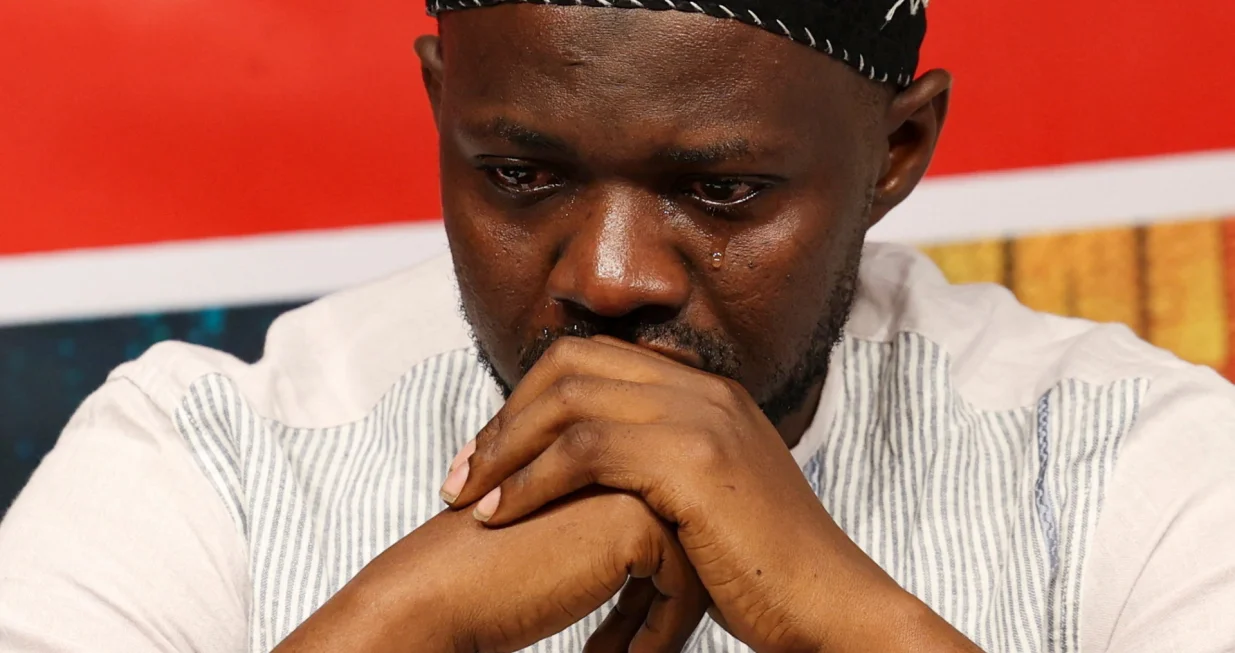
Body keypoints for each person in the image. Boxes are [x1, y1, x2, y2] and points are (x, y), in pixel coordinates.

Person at [2, 0, 1234, 651]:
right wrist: (401, 626)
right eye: (520, 176)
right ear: (441, 106)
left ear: (894, 151)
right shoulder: (203, 461)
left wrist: (849, 617)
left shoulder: (1130, 464)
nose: (608, 276)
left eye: (720, 191)